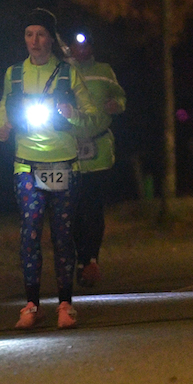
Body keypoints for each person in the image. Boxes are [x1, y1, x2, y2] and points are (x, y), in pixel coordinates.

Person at [0, 8, 102, 330]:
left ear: (51, 39)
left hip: (64, 165)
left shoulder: (68, 74)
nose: (35, 41)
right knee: (29, 233)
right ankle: (31, 305)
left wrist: (71, 114)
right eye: (29, 34)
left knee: (61, 235)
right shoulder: (14, 74)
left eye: (41, 34)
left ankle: (66, 305)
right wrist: (1, 126)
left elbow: (93, 117)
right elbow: (3, 105)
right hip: (26, 165)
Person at [61, 28, 126, 289]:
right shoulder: (63, 72)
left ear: (92, 47)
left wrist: (117, 104)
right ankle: (80, 260)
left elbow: (120, 96)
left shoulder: (104, 70)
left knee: (94, 208)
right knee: (74, 209)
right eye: (76, 45)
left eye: (85, 44)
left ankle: (91, 260)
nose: (81, 49)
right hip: (71, 149)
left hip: (99, 149)